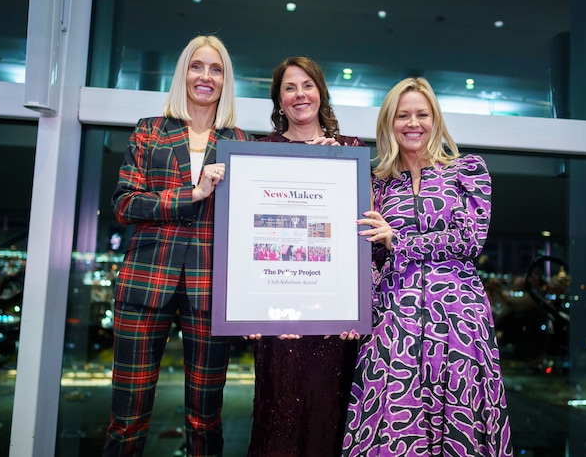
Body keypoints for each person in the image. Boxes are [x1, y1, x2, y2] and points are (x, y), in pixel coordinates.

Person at [344, 77, 513, 456]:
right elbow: (367, 256)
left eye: (422, 114)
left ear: (435, 119)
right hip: (394, 320)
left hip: (458, 318)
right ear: (389, 122)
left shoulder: (467, 171)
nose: (412, 123)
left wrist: (398, 240)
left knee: (460, 423)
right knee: (393, 423)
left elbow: (469, 240)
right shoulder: (377, 184)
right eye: (402, 115)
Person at [103, 34, 252, 457]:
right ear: (183, 73)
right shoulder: (150, 131)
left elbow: (253, 214)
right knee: (127, 418)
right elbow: (125, 202)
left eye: (216, 68)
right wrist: (193, 193)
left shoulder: (238, 140)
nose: (205, 76)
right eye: (197, 66)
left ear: (225, 80)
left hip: (209, 292)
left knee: (205, 419)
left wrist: (319, 154)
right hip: (144, 285)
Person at [246, 56, 363, 457]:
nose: (300, 95)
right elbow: (248, 236)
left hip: (332, 324)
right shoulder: (257, 153)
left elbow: (359, 238)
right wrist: (248, 311)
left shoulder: (349, 152)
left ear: (320, 93)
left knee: (326, 423)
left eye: (307, 85)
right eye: (290, 88)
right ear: (279, 101)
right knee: (277, 420)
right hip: (276, 323)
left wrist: (355, 311)